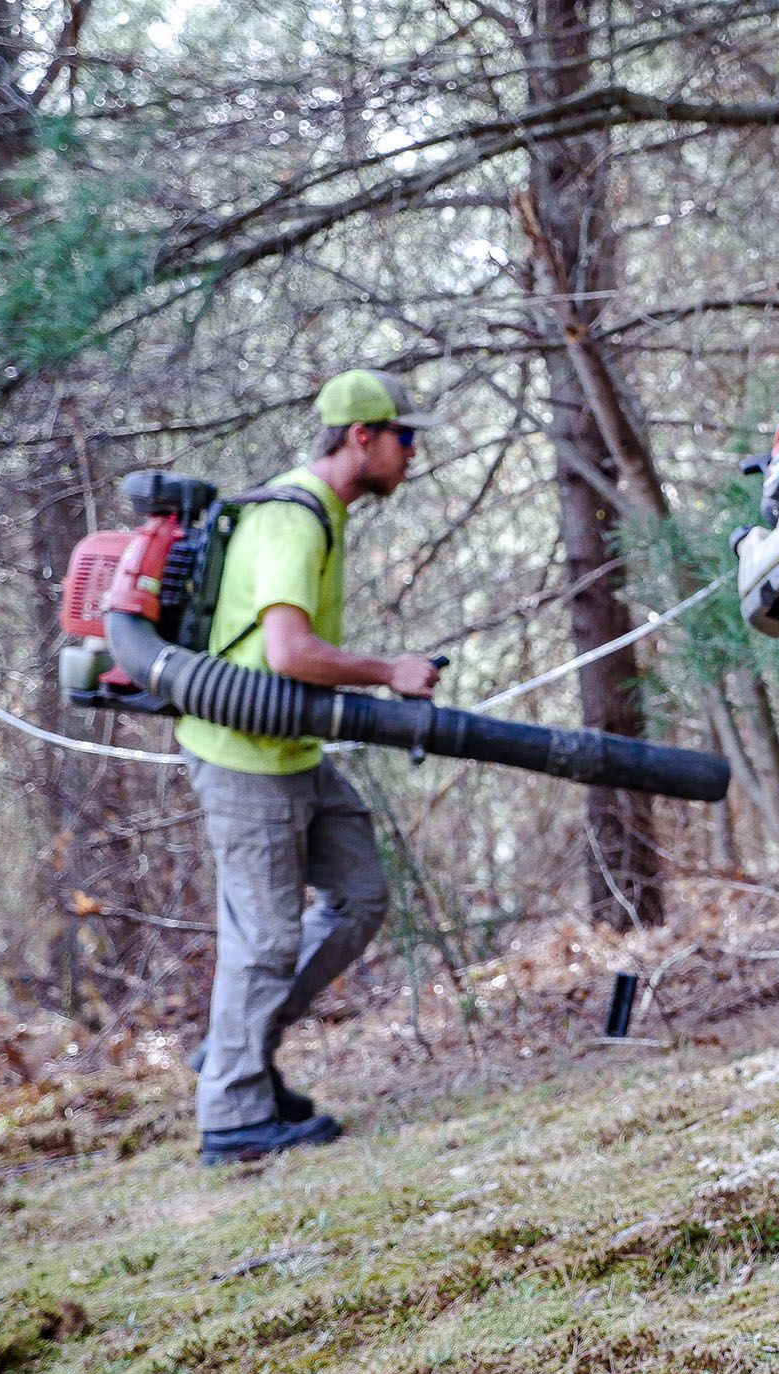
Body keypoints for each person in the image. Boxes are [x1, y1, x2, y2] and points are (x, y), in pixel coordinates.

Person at [181, 369, 442, 1165]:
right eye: (405, 436)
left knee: (359, 896)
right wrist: (388, 670)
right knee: (264, 940)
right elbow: (290, 653)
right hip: (245, 757)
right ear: (361, 436)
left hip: (293, 751)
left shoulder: (324, 512)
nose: (413, 453)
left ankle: (238, 1049)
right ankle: (232, 1119)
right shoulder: (295, 519)